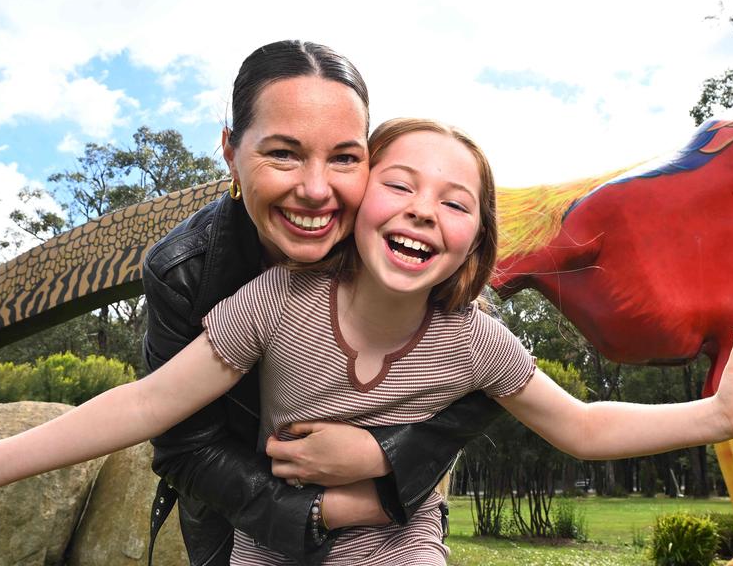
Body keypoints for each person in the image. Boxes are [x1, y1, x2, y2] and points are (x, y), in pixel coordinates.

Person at [0, 118, 733, 565]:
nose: (422, 211)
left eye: (455, 203)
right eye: (400, 185)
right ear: (356, 203)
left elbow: (577, 428)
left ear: (474, 241)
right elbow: (148, 403)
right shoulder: (275, 303)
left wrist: (713, 414)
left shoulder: (472, 339)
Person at [139, 40, 504, 564]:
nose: (316, 190)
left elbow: (479, 391)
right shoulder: (185, 271)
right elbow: (178, 440)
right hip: (243, 518)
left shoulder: (405, 249)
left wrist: (387, 456)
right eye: (283, 153)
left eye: (344, 158)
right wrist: (325, 510)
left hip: (393, 528)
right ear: (230, 153)